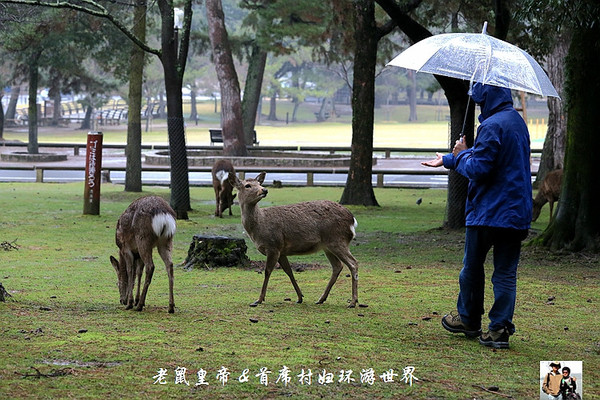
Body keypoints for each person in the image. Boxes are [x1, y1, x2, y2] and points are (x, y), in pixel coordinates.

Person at [422, 82, 532, 349]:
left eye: (480, 100)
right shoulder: (517, 122)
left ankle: (469, 318)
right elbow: (494, 159)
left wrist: (458, 158)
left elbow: (480, 169)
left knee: (471, 268)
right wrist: (451, 158)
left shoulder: (491, 125)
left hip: (488, 212)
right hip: (515, 213)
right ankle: (499, 330)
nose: (479, 104)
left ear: (487, 98)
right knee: (505, 273)